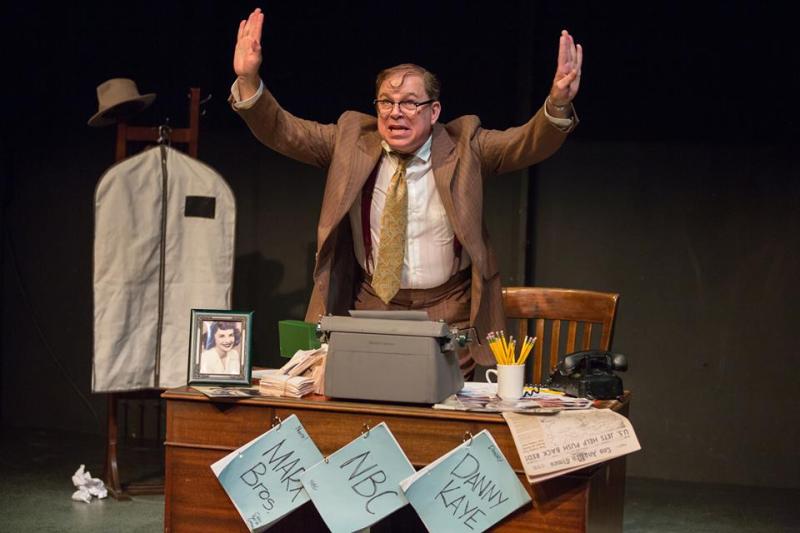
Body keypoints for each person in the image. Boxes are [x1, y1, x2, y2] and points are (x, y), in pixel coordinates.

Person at [230, 8, 582, 377]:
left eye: (410, 103)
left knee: (439, 416)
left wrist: (557, 103)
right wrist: (249, 80)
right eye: (386, 102)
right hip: (372, 303)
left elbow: (526, 143)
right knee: (368, 402)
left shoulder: (466, 145)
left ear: (434, 112)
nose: (396, 113)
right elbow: (283, 131)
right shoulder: (351, 140)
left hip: (449, 308)